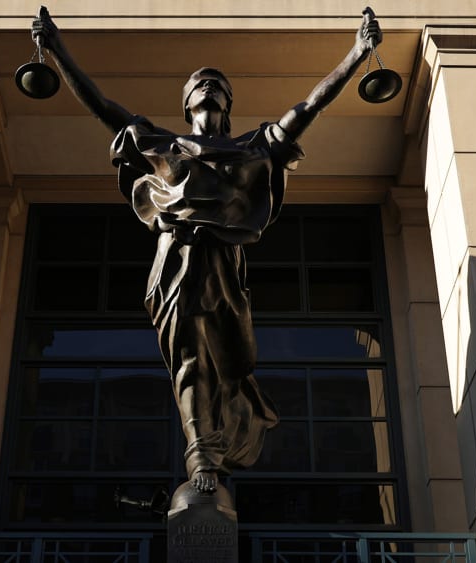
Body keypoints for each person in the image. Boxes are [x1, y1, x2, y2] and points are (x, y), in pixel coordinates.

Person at [33, 6, 382, 493]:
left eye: (216, 83)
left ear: (227, 101)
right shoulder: (164, 146)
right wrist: (55, 50)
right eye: (199, 83)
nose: (208, 85)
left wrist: (357, 54)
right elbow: (103, 107)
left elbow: (306, 110)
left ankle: (220, 441)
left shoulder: (252, 149)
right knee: (192, 360)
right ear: (186, 103)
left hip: (222, 266)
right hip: (175, 263)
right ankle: (201, 457)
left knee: (226, 370)